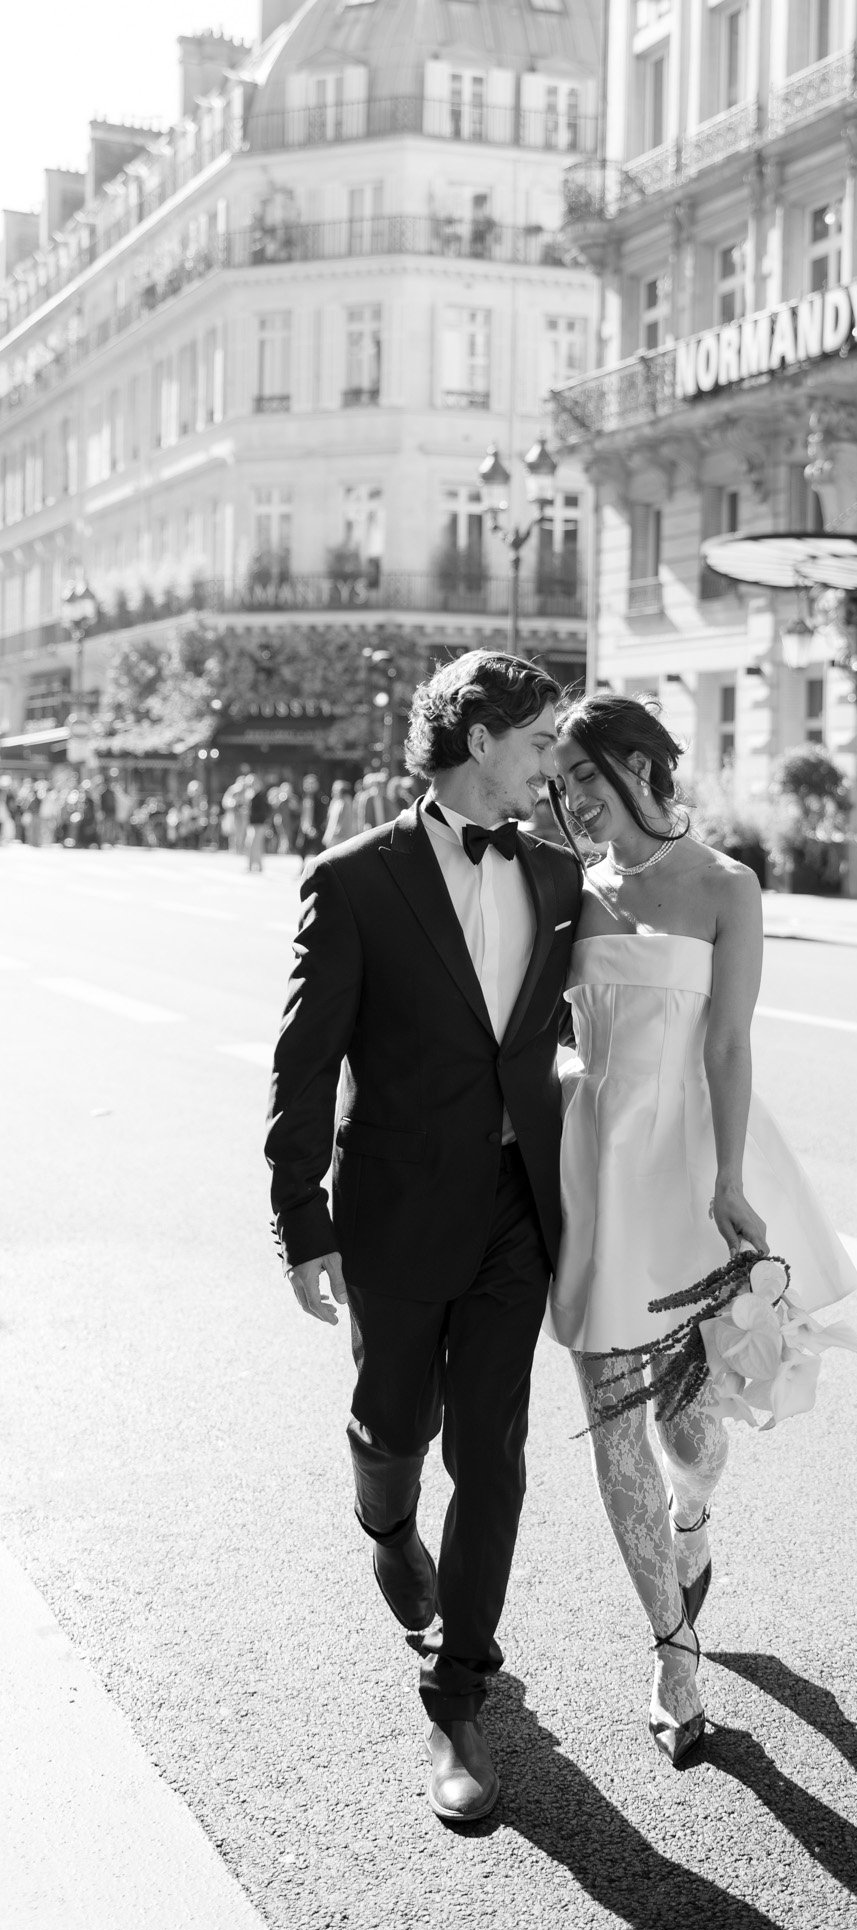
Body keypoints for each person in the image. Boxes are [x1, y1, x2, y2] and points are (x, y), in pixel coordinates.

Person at [265, 652, 581, 1826]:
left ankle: (458, 1695)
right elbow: (305, 1060)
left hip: (514, 1210)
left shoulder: (557, 872)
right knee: (396, 1420)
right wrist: (303, 1219)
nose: (549, 761)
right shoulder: (355, 878)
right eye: (540, 738)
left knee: (492, 1454)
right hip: (394, 1205)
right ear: (483, 734)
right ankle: (385, 1518)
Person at [547, 694, 857, 1767]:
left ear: (639, 763)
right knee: (608, 1413)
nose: (574, 797)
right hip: (596, 1163)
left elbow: (729, 1043)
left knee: (687, 1423)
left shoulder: (727, 887)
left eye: (587, 775)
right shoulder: (569, 889)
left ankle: (694, 1519)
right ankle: (673, 1651)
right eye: (563, 784)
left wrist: (728, 1177)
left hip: (687, 1166)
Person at [245, 774, 271, 871]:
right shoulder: (251, 795)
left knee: (255, 845)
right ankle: (254, 865)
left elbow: (264, 811)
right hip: (253, 824)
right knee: (252, 845)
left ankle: (256, 866)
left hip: (259, 824)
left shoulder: (260, 796)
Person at [321, 778, 355, 849]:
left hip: (341, 835)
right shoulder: (334, 801)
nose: (333, 791)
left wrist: (339, 830)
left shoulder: (346, 801)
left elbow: (346, 818)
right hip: (332, 834)